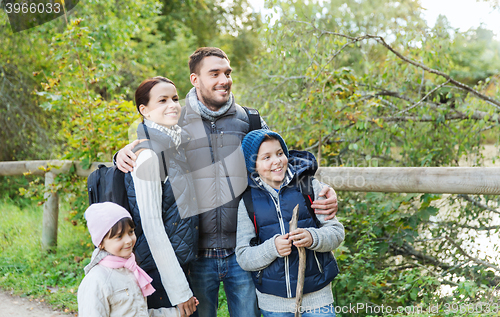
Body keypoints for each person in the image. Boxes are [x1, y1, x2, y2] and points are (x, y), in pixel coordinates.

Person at [115, 47, 339, 317]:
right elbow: (147, 141)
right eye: (214, 73)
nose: (224, 79)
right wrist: (120, 154)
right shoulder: (175, 119)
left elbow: (282, 165)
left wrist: (321, 190)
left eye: (227, 73)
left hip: (243, 251)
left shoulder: (251, 120)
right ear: (195, 80)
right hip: (194, 255)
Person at [236, 130, 345, 317]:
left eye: (280, 153)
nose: (277, 161)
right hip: (274, 305)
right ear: (253, 164)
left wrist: (313, 238)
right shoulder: (248, 201)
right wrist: (273, 248)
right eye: (266, 157)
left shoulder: (309, 187)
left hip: (317, 298)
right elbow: (244, 256)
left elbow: (336, 232)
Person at [124, 76, 199, 317]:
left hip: (181, 265)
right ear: (144, 110)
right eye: (162, 100)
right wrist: (179, 290)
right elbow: (152, 227)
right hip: (159, 272)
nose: (173, 105)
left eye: (175, 99)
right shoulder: (147, 155)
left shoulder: (176, 147)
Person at [77, 202, 154, 317]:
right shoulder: (97, 280)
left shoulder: (130, 269)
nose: (128, 240)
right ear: (101, 243)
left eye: (131, 232)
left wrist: (177, 313)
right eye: (119, 236)